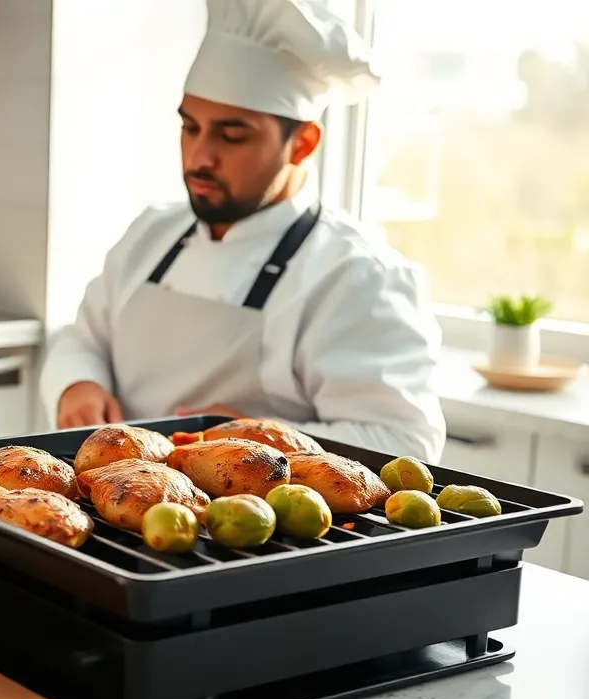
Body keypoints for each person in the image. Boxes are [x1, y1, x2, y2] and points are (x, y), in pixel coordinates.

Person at [40, 0, 446, 461]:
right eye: (190, 127)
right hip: (116, 493)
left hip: (249, 506)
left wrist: (259, 438)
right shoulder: (152, 231)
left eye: (232, 136)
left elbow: (406, 443)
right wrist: (77, 384)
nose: (199, 157)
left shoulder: (359, 277)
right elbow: (83, 339)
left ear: (303, 143)